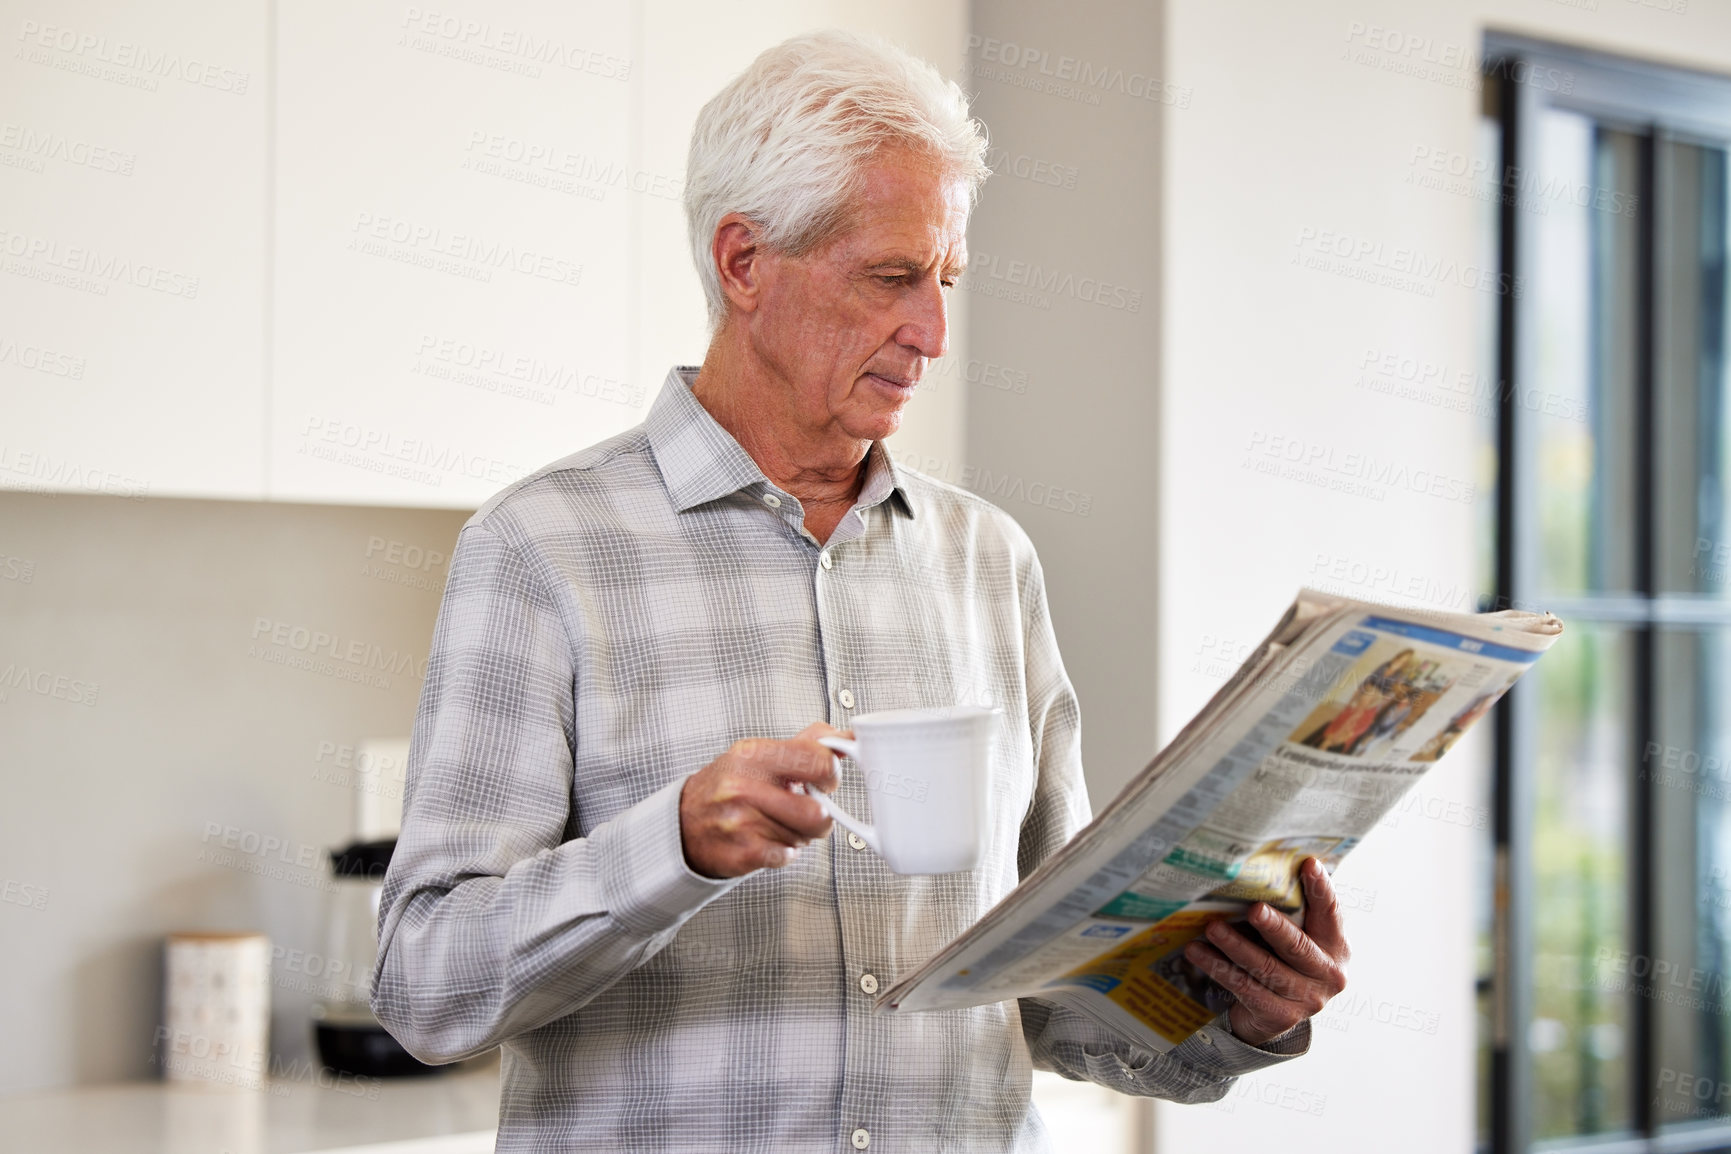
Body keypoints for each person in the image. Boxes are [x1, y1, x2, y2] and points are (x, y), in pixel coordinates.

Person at [371, 29, 1349, 1152]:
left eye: (945, 280)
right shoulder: (542, 549)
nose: (931, 332)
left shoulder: (991, 561)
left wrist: (1231, 1014)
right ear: (743, 262)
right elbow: (423, 988)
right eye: (891, 275)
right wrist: (674, 843)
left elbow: (1052, 994)